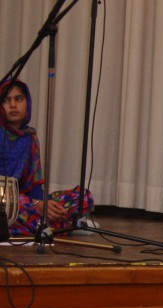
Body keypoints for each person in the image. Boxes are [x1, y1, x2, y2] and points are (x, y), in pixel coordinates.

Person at [0, 78, 94, 235]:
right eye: (6, 100)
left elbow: (34, 184)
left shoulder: (30, 137)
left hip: (26, 205)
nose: (13, 105)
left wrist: (44, 205)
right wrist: (35, 204)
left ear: (27, 103)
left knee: (84, 197)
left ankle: (42, 224)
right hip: (6, 203)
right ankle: (66, 225)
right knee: (13, 209)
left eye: (19, 99)